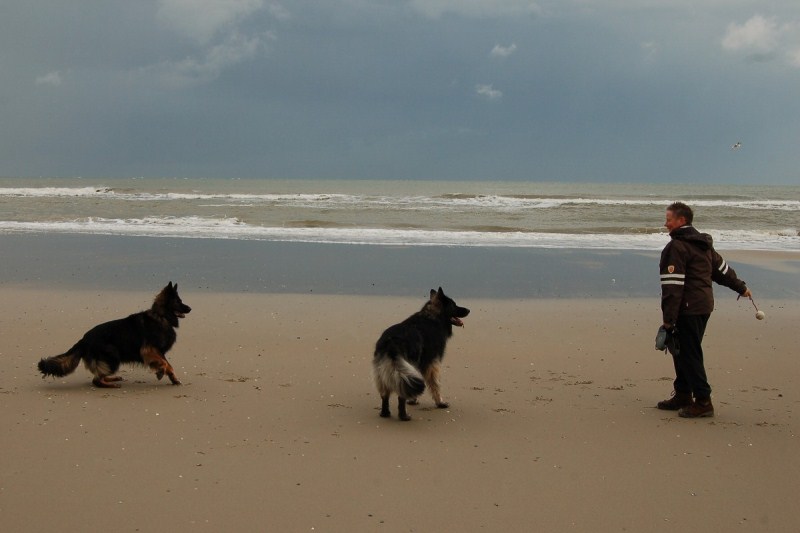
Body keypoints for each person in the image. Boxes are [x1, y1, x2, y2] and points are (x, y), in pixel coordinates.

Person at [657, 202, 752, 418]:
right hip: (704, 306)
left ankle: (703, 401)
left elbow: (672, 286)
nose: (665, 223)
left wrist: (669, 319)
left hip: (687, 309)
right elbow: (722, 271)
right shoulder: (703, 244)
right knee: (681, 350)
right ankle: (682, 394)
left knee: (689, 354)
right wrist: (741, 287)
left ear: (681, 221)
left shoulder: (677, 248)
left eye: (669, 219)